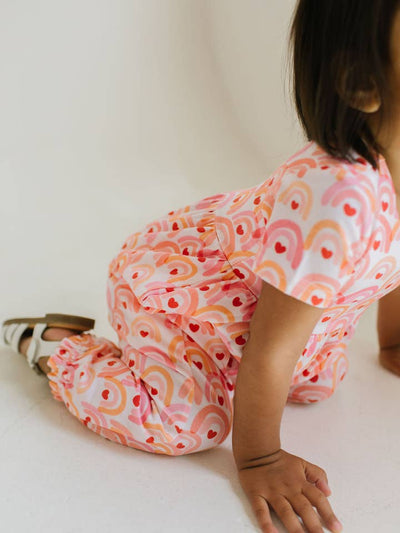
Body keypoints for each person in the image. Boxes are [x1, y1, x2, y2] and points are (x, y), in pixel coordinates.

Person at [3, 1, 400, 532]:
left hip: (272, 303)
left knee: (319, 383)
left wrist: (391, 341)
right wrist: (259, 459)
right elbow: (271, 345)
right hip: (179, 291)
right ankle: (57, 348)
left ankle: (228, 370)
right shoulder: (338, 200)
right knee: (189, 426)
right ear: (362, 86)